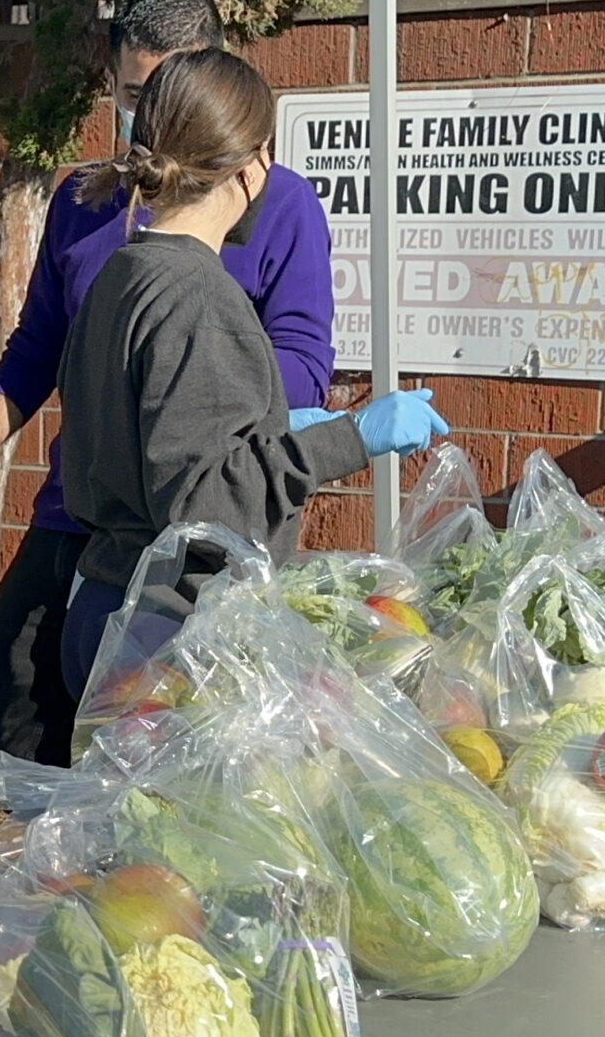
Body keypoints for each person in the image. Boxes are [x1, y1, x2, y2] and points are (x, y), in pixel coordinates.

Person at [0, 0, 336, 767]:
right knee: (17, 753)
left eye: (173, 94)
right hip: (80, 516)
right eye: (138, 95)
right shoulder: (88, 202)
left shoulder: (275, 206)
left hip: (185, 537)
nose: (154, 121)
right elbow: (36, 348)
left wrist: (180, 403)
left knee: (149, 781)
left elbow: (303, 365)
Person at [53, 48, 448, 696]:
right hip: (170, 626)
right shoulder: (199, 297)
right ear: (253, 166)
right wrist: (347, 439)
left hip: (106, 606)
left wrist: (276, 429)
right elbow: (207, 509)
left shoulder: (123, 273)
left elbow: (158, 440)